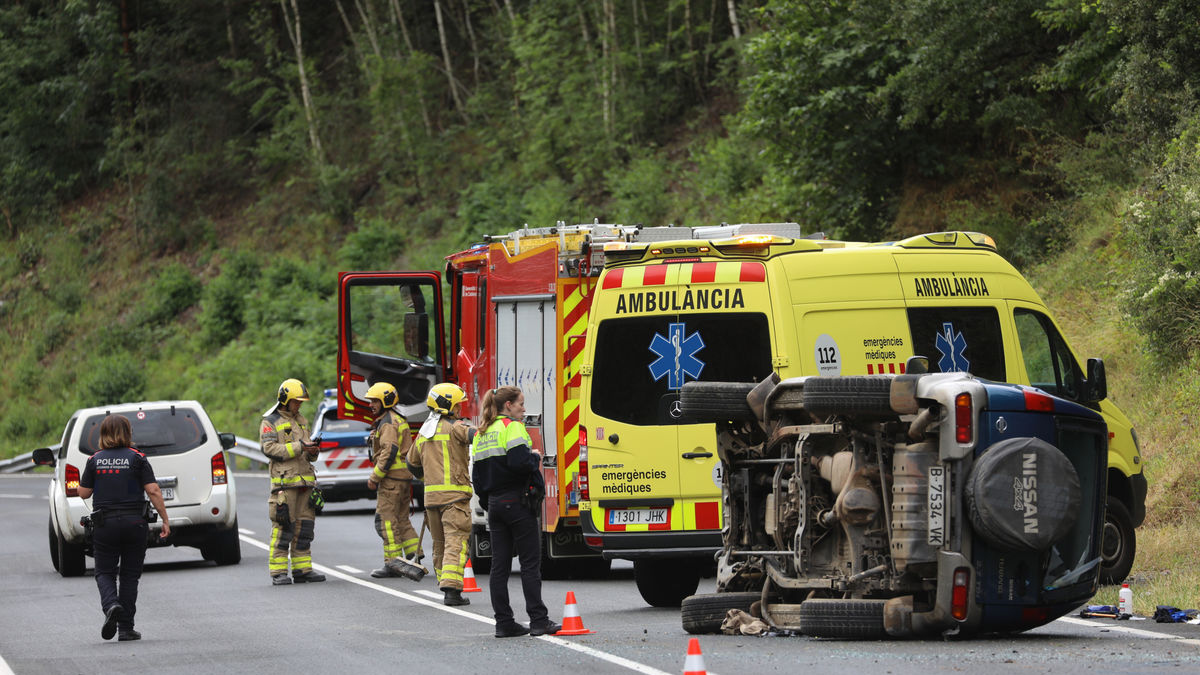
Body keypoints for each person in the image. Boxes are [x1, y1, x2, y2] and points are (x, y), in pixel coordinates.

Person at [472, 386, 562, 638]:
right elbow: (519, 463)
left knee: (498, 567)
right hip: (518, 502)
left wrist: (490, 501)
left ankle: (504, 623)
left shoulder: (482, 433)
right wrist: (534, 457)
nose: (524, 408)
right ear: (508, 405)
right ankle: (538, 620)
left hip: (495, 506)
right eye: (521, 404)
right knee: (530, 564)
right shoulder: (512, 427)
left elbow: (476, 478)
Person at [77, 414, 170, 642]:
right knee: (129, 575)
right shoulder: (138, 458)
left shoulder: (94, 460)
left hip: (105, 524)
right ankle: (126, 628)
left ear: (103, 434)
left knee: (104, 572)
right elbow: (154, 490)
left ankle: (111, 605)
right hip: (134, 523)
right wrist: (165, 520)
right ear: (128, 433)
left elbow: (83, 492)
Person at [407, 383, 475, 606]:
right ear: (447, 406)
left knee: (439, 544)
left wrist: (428, 479)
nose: (459, 409)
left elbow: (412, 463)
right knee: (455, 542)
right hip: (454, 499)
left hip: (432, 500)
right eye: (457, 405)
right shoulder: (455, 427)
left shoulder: (424, 433)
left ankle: (443, 585)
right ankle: (452, 590)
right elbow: (474, 435)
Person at [260, 378, 326, 585]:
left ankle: (302, 570)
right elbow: (269, 449)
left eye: (301, 402)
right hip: (285, 485)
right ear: (285, 400)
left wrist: (313, 450)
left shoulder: (302, 421)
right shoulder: (270, 422)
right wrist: (300, 446)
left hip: (305, 485)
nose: (299, 405)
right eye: (296, 401)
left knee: (305, 529)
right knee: (283, 529)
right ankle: (278, 572)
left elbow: (306, 454)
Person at [364, 381, 426, 580]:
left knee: (386, 522)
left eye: (375, 401)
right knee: (402, 519)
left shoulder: (388, 422)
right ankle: (414, 556)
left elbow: (389, 451)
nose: (371, 404)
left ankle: (392, 564)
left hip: (390, 480)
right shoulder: (397, 418)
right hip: (403, 479)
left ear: (385, 401)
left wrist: (375, 477)